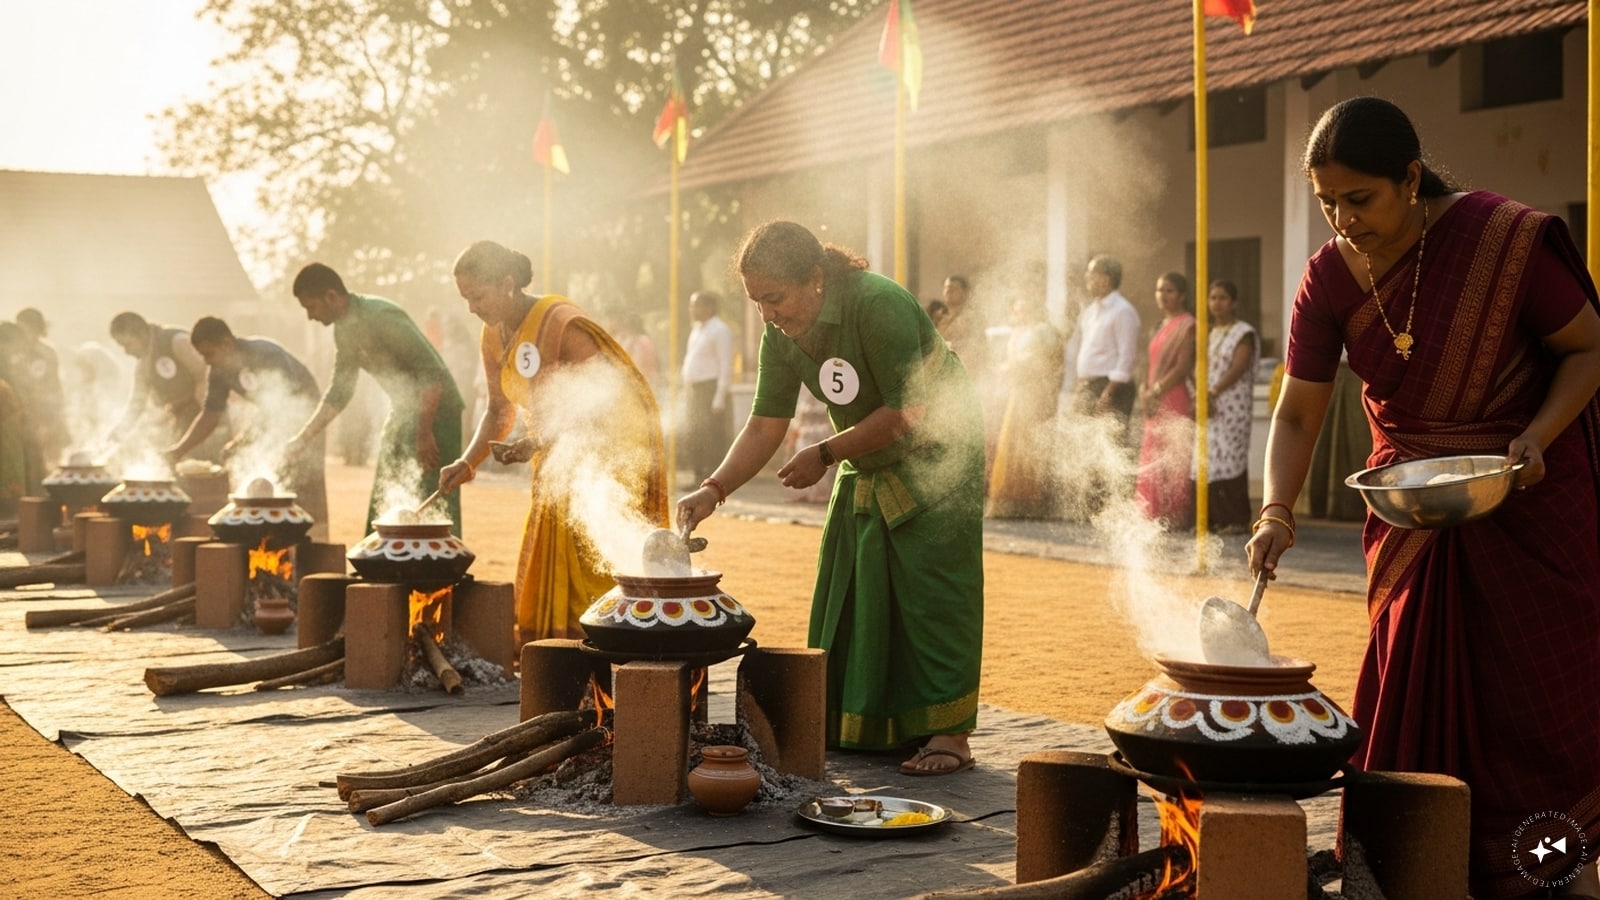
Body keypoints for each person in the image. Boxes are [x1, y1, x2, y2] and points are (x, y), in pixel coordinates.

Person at [1246, 97, 1600, 900]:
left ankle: (1556, 870)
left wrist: (1538, 436)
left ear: (1411, 179)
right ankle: (1417, 867)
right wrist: (1276, 510)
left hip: (1529, 500)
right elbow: (1297, 413)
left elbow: (1587, 347)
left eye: (1360, 199)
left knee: (1536, 709)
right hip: (1412, 519)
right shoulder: (1329, 278)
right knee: (1412, 682)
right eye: (1327, 203)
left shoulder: (1501, 242)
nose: (1344, 221)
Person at [676, 221, 985, 776]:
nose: (767, 314)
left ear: (816, 278)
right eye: (756, 301)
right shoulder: (780, 334)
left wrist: (825, 452)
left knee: (930, 594)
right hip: (862, 455)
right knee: (856, 587)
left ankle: (949, 735)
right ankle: (871, 726)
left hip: (938, 456)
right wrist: (713, 489)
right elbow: (765, 425)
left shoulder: (878, 304)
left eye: (775, 297)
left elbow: (907, 411)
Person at [437, 240, 667, 644]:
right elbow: (498, 410)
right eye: (465, 298)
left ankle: (614, 643)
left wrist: (539, 439)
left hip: (610, 447)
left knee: (597, 549)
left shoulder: (559, 322)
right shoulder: (492, 334)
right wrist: (467, 462)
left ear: (508, 284)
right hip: (552, 450)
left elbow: (605, 396)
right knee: (556, 543)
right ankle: (562, 649)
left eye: (478, 296)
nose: (471, 308)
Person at [285, 263, 465, 536]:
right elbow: (340, 391)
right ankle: (381, 558)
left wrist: (424, 432)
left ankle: (441, 563)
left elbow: (431, 373)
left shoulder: (381, 315)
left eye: (311, 307)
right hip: (403, 411)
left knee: (434, 503)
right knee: (386, 493)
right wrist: (302, 439)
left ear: (331, 296)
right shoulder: (343, 330)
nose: (310, 316)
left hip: (438, 414)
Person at [168, 317, 329, 539]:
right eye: (203, 356)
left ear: (227, 344)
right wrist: (178, 450)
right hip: (270, 419)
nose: (206, 362)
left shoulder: (266, 354)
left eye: (209, 354)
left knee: (307, 482)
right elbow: (210, 415)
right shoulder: (218, 370)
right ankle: (271, 542)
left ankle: (317, 542)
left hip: (305, 415)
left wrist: (246, 439)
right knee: (271, 479)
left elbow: (282, 407)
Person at [986, 294, 1064, 518]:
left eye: (1025, 309)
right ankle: (1011, 501)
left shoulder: (1044, 331)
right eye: (1018, 310)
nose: (1021, 313)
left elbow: (1049, 360)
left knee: (1031, 443)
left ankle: (1033, 503)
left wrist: (1017, 367)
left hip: (1036, 393)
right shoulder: (1018, 331)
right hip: (1019, 391)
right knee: (1013, 442)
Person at [1193, 279, 1259, 533]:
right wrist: (1203, 395)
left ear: (1233, 302)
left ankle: (1237, 519)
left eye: (1222, 298)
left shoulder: (1243, 332)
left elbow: (1238, 367)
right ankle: (1215, 519)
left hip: (1232, 404)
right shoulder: (1210, 332)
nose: (1217, 303)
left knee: (1231, 457)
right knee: (1210, 459)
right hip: (1209, 404)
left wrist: (1213, 392)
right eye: (1213, 298)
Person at [1134, 272, 1196, 529]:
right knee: (1152, 454)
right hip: (1153, 399)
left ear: (1182, 295)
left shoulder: (1188, 325)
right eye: (1160, 290)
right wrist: (1144, 390)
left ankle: (1174, 516)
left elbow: (1182, 367)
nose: (1163, 295)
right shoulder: (1159, 325)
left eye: (1169, 290)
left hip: (1173, 398)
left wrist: (1156, 390)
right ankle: (1152, 515)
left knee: (1173, 457)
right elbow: (1147, 364)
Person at [106, 312, 213, 458]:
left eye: (128, 345)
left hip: (208, 417)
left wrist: (203, 413)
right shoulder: (143, 366)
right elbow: (136, 404)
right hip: (182, 423)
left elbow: (205, 376)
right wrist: (118, 433)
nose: (127, 352)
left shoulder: (177, 341)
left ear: (142, 334)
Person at [1067, 255, 1141, 427]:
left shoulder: (1122, 311)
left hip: (1112, 388)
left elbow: (1126, 357)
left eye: (1091, 273)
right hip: (1088, 387)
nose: (1086, 277)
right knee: (1082, 438)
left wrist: (1109, 394)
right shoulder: (1090, 312)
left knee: (1109, 439)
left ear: (1105, 279)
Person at [681, 290, 736, 483]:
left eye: (696, 306)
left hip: (710, 389)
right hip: (695, 389)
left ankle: (715, 480)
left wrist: (719, 398)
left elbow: (725, 365)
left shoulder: (720, 330)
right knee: (694, 433)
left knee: (711, 436)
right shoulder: (696, 330)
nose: (692, 310)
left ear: (709, 307)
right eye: (691, 306)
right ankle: (698, 477)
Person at [11, 308, 69, 466]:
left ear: (38, 329)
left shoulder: (47, 353)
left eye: (28, 330)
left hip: (44, 414)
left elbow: (54, 387)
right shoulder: (12, 352)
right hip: (19, 414)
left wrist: (57, 416)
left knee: (47, 461)